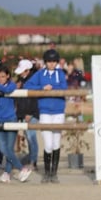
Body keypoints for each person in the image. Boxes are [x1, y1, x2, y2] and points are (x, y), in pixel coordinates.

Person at [24, 49, 68, 183]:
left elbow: (64, 87)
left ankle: (53, 174)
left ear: (57, 62)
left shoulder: (60, 73)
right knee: (48, 144)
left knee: (56, 143)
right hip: (44, 112)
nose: (52, 64)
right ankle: (47, 173)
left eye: (54, 61)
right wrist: (42, 88)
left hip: (59, 112)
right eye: (49, 61)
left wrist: (51, 87)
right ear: (45, 62)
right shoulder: (39, 74)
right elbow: (27, 85)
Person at [0, 65, 32, 183]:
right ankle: (19, 170)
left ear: (8, 76)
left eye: (3, 76)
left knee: (8, 149)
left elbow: (8, 90)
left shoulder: (12, 84)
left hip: (10, 120)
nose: (0, 79)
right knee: (3, 148)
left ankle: (9, 173)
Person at [14, 59, 40, 171]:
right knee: (29, 137)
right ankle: (31, 160)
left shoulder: (32, 80)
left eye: (22, 71)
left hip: (31, 113)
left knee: (31, 137)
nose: (20, 73)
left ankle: (33, 162)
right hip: (24, 112)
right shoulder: (21, 80)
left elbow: (34, 99)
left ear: (27, 70)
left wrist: (30, 113)